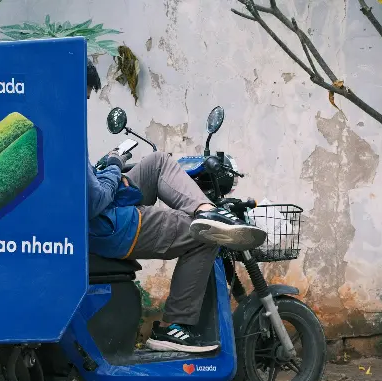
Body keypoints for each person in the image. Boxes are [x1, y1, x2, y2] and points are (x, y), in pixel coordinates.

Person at [85, 59, 267, 353]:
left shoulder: (50, 126)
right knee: (208, 235)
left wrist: (108, 169)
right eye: (85, 95)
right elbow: (93, 200)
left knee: (157, 162)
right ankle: (175, 327)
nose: (84, 103)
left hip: (100, 211)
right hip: (108, 224)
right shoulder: (66, 131)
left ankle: (205, 208)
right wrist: (113, 170)